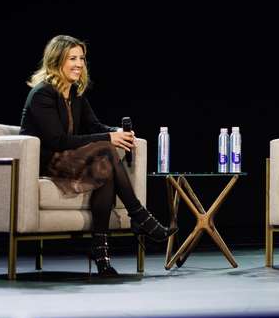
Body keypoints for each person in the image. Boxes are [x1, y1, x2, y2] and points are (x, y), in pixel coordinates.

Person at [19, 34, 174, 276]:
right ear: (56, 60)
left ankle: (101, 252)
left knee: (107, 166)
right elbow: (58, 141)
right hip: (48, 162)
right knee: (107, 150)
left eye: (81, 58)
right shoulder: (42, 94)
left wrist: (117, 132)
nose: (79, 64)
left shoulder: (76, 93)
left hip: (69, 159)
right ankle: (140, 215)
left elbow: (95, 127)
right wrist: (108, 139)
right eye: (72, 58)